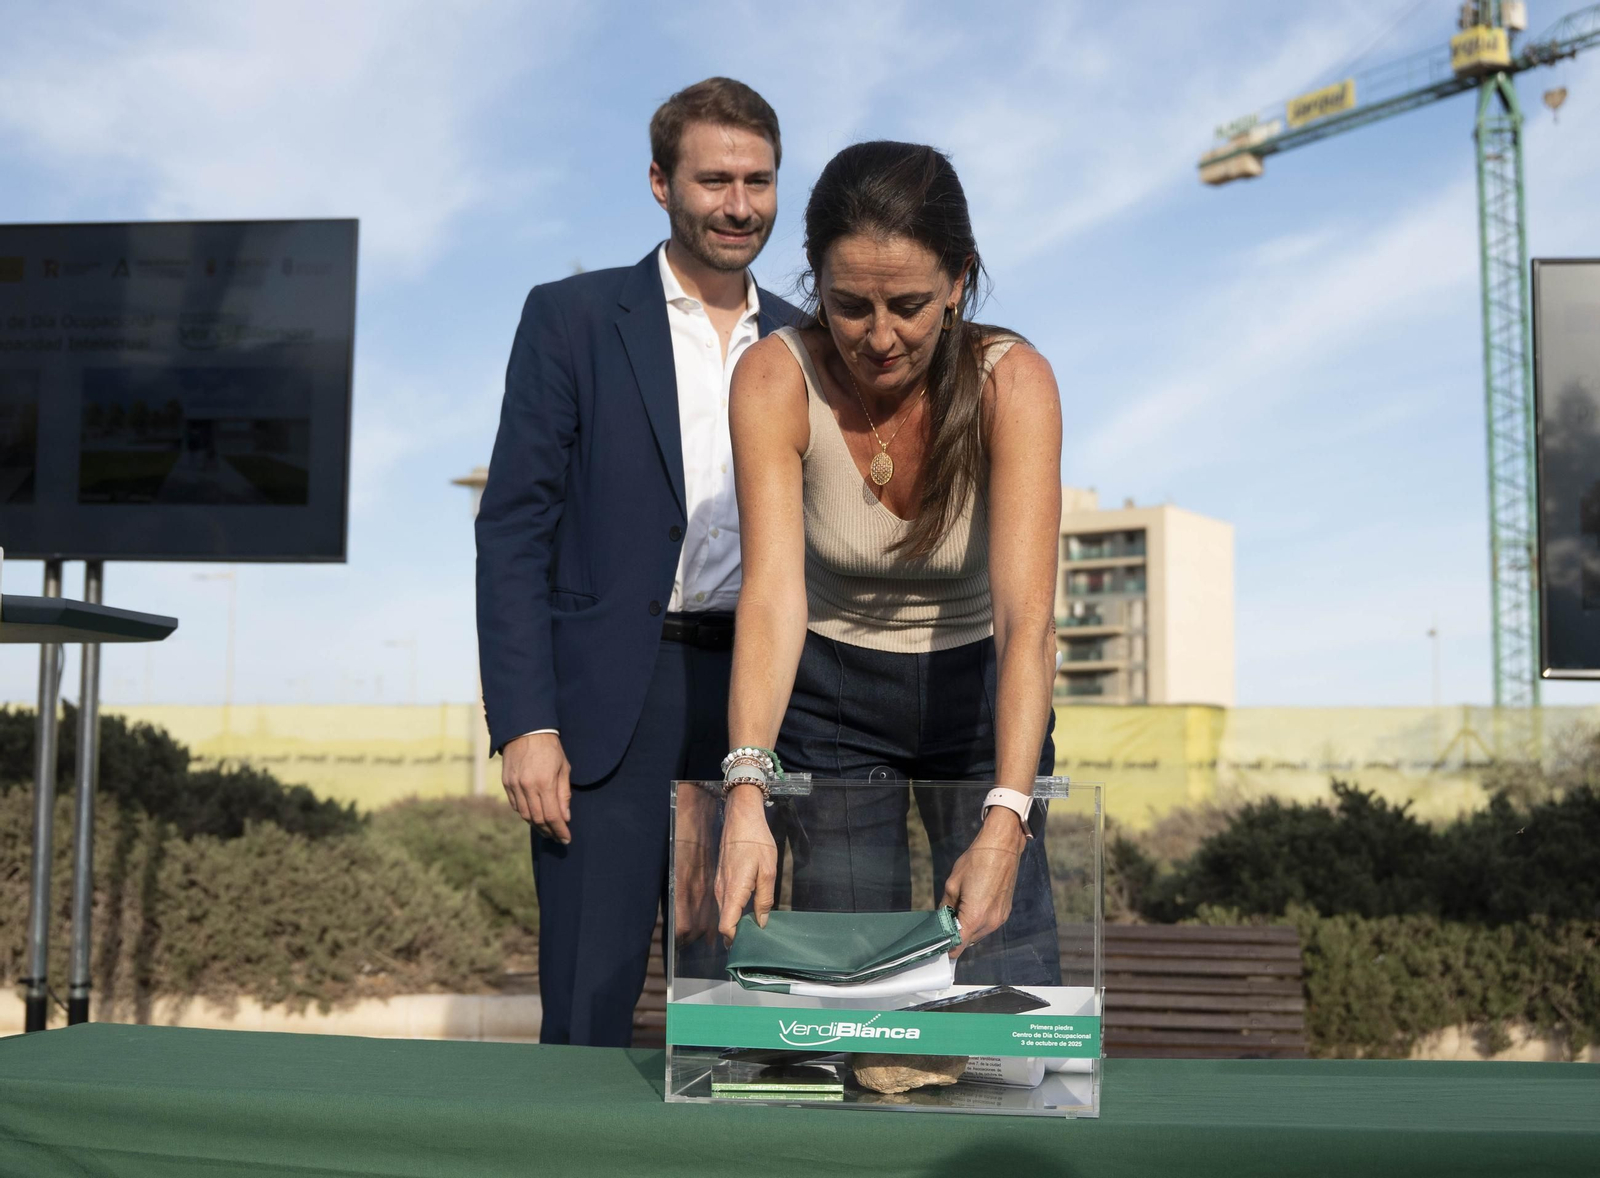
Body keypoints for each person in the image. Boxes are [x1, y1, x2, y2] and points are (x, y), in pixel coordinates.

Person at [475, 77, 798, 1047]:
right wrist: (524, 720)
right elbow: (513, 528)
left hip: (758, 695)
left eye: (759, 180)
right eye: (714, 179)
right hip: (603, 711)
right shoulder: (569, 318)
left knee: (741, 1029)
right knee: (584, 1015)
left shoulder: (806, 342)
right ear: (660, 183)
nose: (739, 204)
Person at [714, 141, 1064, 984]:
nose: (878, 338)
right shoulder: (772, 378)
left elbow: (1028, 622)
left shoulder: (1011, 384)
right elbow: (770, 598)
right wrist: (747, 793)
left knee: (1003, 966)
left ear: (959, 280)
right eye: (849, 305)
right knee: (853, 974)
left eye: (908, 304)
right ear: (814, 281)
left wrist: (1008, 818)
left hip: (979, 687)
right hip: (832, 698)